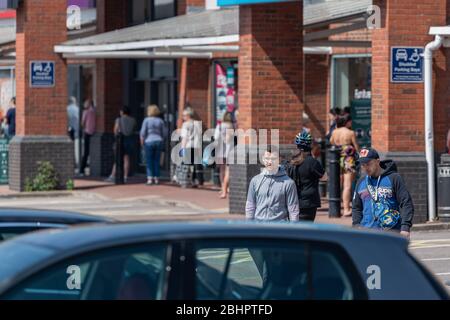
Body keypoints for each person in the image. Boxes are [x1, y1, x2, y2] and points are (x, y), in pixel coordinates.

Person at [352, 148, 414, 239]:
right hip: (366, 233)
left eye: (368, 164)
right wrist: (356, 226)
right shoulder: (361, 182)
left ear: (377, 161)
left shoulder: (394, 178)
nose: (365, 168)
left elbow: (406, 203)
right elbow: (356, 207)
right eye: (363, 165)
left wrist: (405, 227)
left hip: (391, 233)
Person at [245, 145, 300, 222]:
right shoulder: (255, 181)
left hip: (279, 229)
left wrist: (293, 229)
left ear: (279, 159)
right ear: (263, 159)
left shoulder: (289, 183)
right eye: (267, 158)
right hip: (258, 227)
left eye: (273, 159)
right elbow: (250, 206)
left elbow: (293, 209)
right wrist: (248, 226)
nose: (270, 162)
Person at [285, 131, 325, 222]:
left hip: (291, 201)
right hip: (308, 203)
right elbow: (324, 177)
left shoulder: (289, 162)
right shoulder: (312, 162)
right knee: (305, 231)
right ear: (310, 145)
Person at [330, 114, 360, 216]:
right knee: (347, 186)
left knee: (339, 184)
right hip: (348, 158)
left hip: (336, 158)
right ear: (347, 122)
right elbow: (356, 146)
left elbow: (331, 142)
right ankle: (346, 209)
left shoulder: (335, 132)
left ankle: (337, 207)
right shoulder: (350, 132)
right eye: (350, 122)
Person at [106, 107, 137, 183]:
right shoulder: (133, 120)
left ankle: (112, 176)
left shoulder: (118, 120)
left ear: (122, 112)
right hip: (129, 140)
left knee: (118, 159)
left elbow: (115, 130)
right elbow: (133, 129)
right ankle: (125, 176)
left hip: (120, 140)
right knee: (126, 159)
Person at [140, 105, 166, 186]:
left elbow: (143, 133)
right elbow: (164, 133)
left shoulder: (146, 120)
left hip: (149, 141)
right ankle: (157, 179)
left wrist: (142, 142)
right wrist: (162, 139)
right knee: (157, 160)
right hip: (159, 141)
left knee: (149, 160)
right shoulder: (160, 121)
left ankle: (150, 179)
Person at [179, 107, 202, 188]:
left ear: (188, 115)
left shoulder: (185, 124)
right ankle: (195, 181)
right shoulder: (197, 124)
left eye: (184, 115)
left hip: (188, 146)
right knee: (194, 165)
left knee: (187, 164)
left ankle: (185, 181)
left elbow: (184, 137)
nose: (183, 117)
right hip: (197, 146)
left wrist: (182, 148)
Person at [214, 112, 234, 199]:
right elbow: (231, 138)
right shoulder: (232, 126)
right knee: (228, 170)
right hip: (229, 150)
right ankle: (225, 190)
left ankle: (223, 189)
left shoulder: (220, 126)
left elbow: (215, 137)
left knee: (221, 170)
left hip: (220, 150)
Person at [80, 99, 96, 176]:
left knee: (85, 152)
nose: (84, 104)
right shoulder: (94, 112)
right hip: (94, 133)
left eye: (85, 103)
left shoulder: (85, 112)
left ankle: (81, 170)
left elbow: (82, 123)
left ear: (89, 104)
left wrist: (83, 127)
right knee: (91, 151)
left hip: (87, 132)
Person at [67, 97, 80, 168]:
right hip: (77, 130)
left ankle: (71, 161)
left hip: (69, 130)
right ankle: (76, 162)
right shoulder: (78, 109)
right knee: (76, 148)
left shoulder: (67, 109)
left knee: (70, 146)